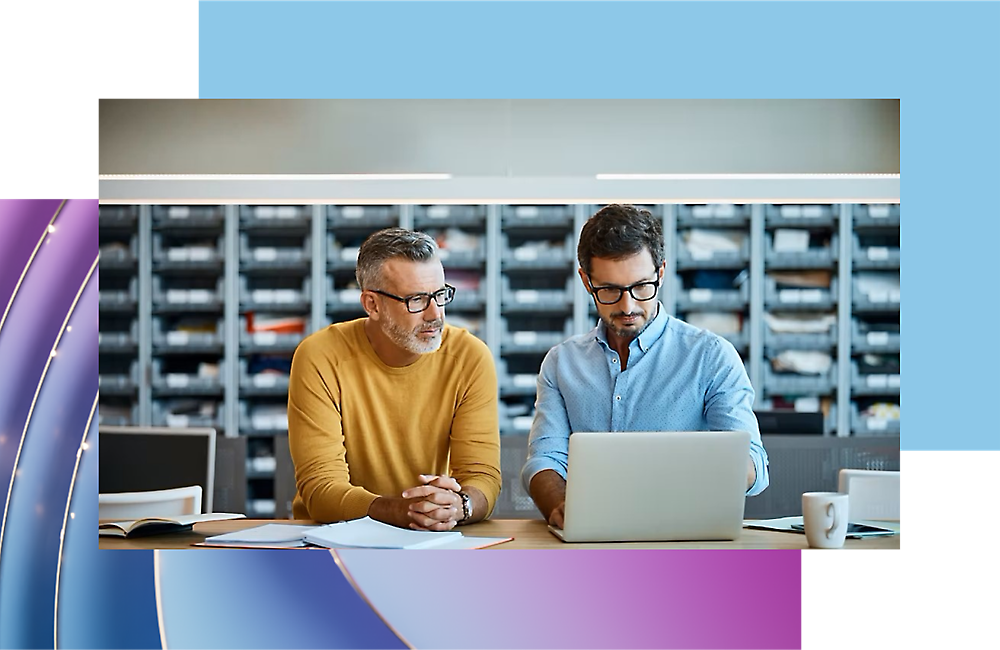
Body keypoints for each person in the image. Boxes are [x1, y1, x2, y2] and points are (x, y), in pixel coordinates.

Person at [521, 204, 769, 528]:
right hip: (590, 535)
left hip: (685, 535)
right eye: (609, 289)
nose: (628, 306)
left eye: (641, 287)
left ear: (661, 273)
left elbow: (754, 463)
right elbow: (544, 459)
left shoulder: (711, 356)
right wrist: (560, 506)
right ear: (586, 281)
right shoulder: (561, 364)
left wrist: (713, 473)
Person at [287, 228, 501, 530]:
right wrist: (400, 511)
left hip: (434, 537)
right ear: (372, 304)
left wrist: (459, 506)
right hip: (332, 538)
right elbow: (320, 489)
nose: (435, 314)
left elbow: (482, 476)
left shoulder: (470, 357)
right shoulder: (320, 356)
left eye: (440, 296)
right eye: (416, 300)